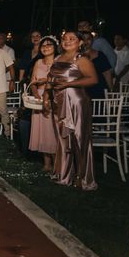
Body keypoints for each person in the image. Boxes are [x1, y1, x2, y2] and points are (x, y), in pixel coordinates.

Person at [44, 31, 98, 190]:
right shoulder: (58, 59)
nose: (67, 41)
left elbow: (93, 79)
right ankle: (64, 175)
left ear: (80, 42)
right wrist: (47, 97)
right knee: (63, 140)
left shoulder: (81, 59)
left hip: (76, 103)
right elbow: (50, 79)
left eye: (72, 39)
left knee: (80, 139)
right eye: (64, 38)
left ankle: (84, 178)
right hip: (59, 102)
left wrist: (68, 84)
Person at [28, 36, 59, 172]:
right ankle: (46, 164)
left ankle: (57, 164)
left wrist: (47, 80)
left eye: (49, 45)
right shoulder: (38, 62)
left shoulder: (59, 61)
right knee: (41, 131)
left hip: (53, 97)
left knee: (52, 131)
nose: (45, 48)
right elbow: (33, 81)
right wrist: (36, 94)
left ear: (55, 47)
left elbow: (59, 80)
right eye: (43, 46)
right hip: (39, 98)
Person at [82, 33, 113, 99]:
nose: (86, 41)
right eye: (83, 39)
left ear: (92, 40)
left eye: (88, 39)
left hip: (99, 91)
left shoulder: (100, 55)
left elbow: (107, 74)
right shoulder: (75, 56)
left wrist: (110, 91)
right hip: (82, 92)